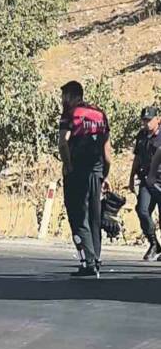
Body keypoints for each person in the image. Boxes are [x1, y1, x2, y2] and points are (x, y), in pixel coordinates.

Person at [58, 81, 113, 278]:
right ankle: (96, 258)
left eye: (64, 96)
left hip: (77, 172)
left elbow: (63, 143)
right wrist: (105, 174)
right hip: (96, 171)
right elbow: (107, 151)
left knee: (78, 216)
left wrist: (67, 164)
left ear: (72, 96)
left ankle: (88, 262)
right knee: (94, 216)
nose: (62, 100)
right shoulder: (99, 114)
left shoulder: (70, 114)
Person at [129, 106, 161, 261]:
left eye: (149, 120)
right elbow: (137, 158)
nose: (146, 123)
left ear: (158, 119)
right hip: (146, 180)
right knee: (142, 210)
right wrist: (131, 178)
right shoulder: (141, 136)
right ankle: (154, 243)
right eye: (144, 120)